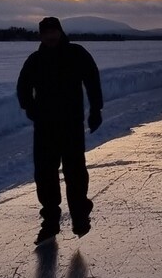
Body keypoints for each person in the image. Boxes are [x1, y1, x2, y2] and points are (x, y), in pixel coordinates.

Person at [16, 16, 104, 246]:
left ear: (60, 32)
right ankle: (50, 222)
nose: (50, 36)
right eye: (46, 33)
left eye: (53, 31)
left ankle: (80, 216)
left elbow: (92, 81)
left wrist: (96, 109)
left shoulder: (76, 54)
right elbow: (23, 88)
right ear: (41, 36)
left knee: (75, 171)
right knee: (45, 174)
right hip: (45, 128)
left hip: (72, 125)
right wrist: (31, 109)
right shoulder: (35, 60)